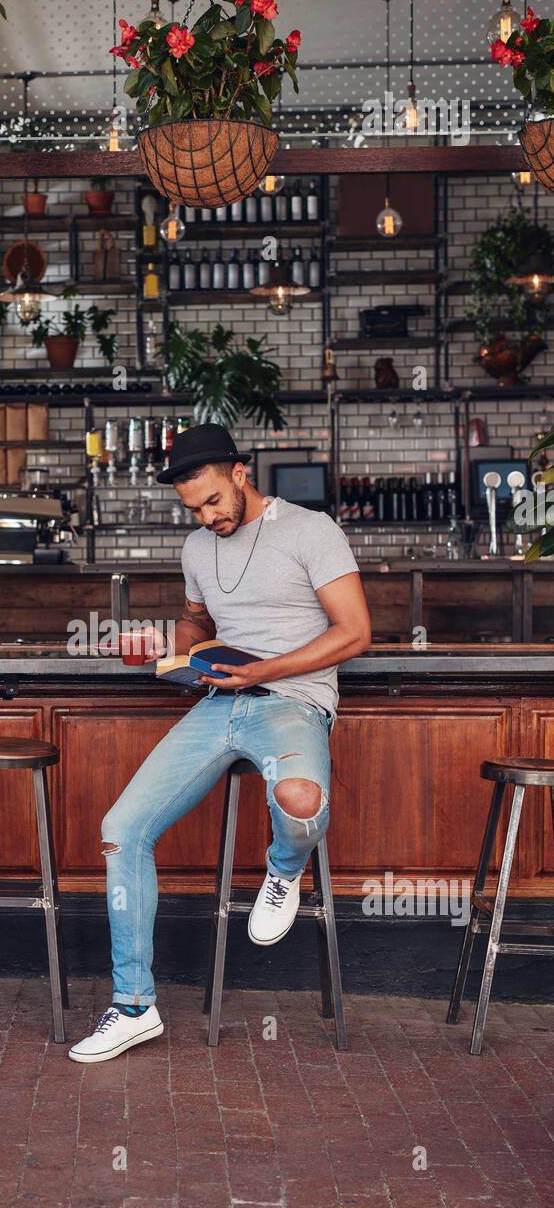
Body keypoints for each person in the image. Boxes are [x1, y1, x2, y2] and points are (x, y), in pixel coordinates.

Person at [69, 423, 371, 1064]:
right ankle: (133, 1007)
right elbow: (199, 621)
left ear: (240, 472)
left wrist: (262, 670)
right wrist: (162, 646)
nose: (206, 518)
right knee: (122, 828)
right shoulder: (197, 548)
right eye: (193, 510)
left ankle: (283, 873)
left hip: (292, 702)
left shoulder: (312, 531)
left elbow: (354, 632)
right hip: (217, 703)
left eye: (212, 503)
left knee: (299, 798)